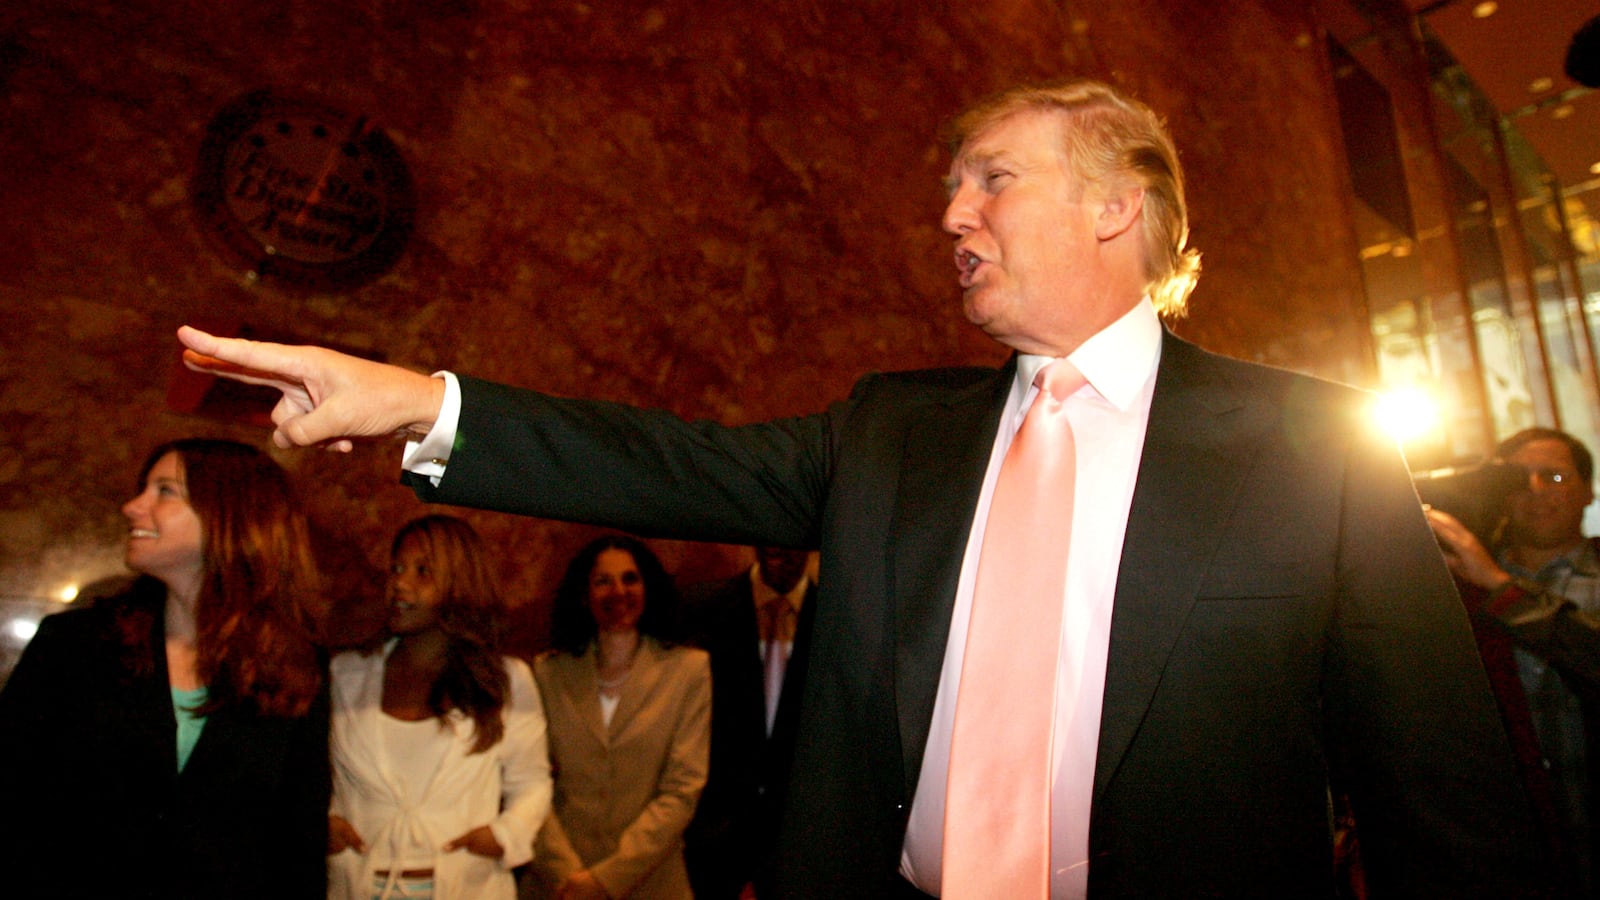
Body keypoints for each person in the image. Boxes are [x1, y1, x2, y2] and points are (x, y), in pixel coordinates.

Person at [177, 78, 1549, 898]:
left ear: (1116, 204)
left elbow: (1444, 793)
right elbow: (672, 461)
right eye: (951, 189)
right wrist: (417, 402)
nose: (951, 216)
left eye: (991, 181)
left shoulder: (1312, 447)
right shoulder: (894, 431)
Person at [0, 438, 330, 900]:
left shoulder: (293, 665)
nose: (132, 506)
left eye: (165, 491)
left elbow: (298, 844)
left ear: (229, 516)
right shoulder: (74, 645)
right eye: (144, 489)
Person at [326, 514, 553, 900]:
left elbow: (532, 781)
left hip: (466, 887)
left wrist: (506, 835)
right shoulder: (346, 674)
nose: (400, 583)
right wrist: (321, 823)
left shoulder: (505, 680)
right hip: (358, 884)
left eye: (422, 571)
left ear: (461, 584)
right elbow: (308, 774)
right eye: (396, 568)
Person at [1429, 427, 1600, 897]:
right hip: (1515, 853)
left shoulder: (1486, 582)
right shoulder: (1458, 588)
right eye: (1519, 479)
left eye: (1555, 477)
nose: (1536, 491)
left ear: (1588, 491)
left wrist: (1502, 589)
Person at [523, 535, 710, 900]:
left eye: (630, 579)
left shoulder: (689, 671)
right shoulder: (549, 672)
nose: (618, 592)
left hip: (651, 883)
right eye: (603, 581)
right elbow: (528, 781)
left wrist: (606, 880)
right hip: (560, 884)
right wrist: (567, 875)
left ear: (648, 588)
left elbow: (682, 790)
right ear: (584, 595)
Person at [679, 546, 817, 899]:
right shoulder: (702, 607)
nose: (779, 546)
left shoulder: (836, 618)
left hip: (799, 836)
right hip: (712, 831)